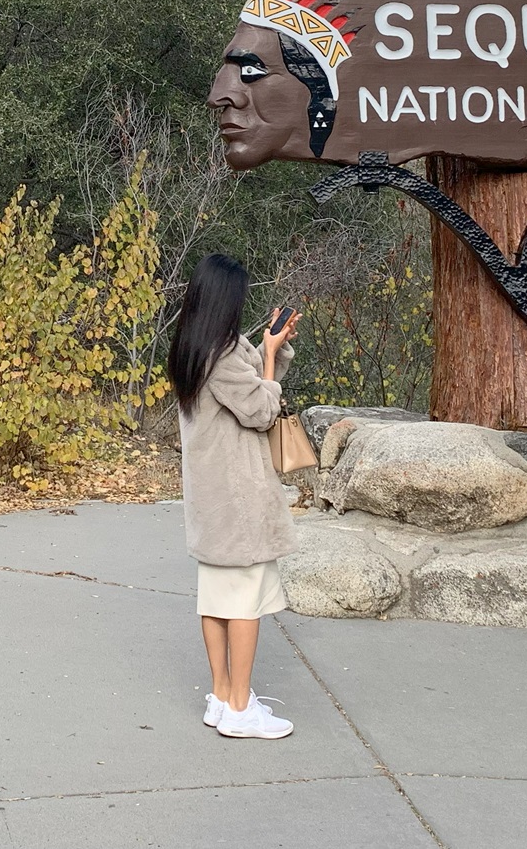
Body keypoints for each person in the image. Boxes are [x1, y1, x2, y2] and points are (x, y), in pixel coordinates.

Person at [169, 253, 301, 738]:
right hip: (238, 499)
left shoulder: (193, 347)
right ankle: (242, 708)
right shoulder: (222, 356)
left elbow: (252, 387)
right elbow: (262, 411)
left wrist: (273, 349)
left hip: (211, 499)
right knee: (245, 603)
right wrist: (269, 358)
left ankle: (223, 698)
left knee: (217, 599)